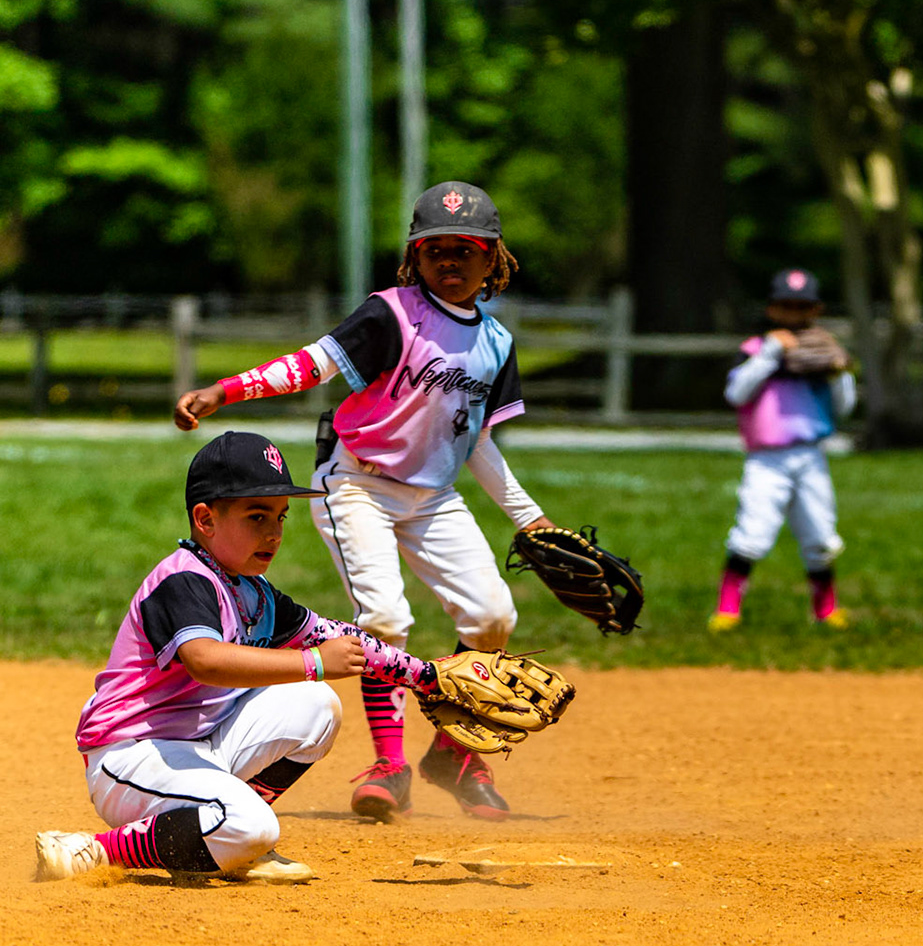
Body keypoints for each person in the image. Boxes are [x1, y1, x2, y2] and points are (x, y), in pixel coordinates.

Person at [172, 181, 553, 823]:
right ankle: (389, 763)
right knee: (383, 617)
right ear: (413, 255)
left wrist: (529, 518)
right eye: (435, 249)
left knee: (492, 616)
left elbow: (478, 442)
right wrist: (224, 391)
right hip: (357, 483)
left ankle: (453, 752)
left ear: (493, 257)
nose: (450, 261)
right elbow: (311, 365)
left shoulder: (496, 343)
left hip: (433, 495)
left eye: (465, 250)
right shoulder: (391, 315)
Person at [36, 432, 448, 883]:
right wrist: (313, 663)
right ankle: (95, 851)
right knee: (253, 825)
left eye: (280, 517)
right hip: (132, 756)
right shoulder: (184, 579)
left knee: (319, 705)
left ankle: (226, 843)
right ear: (205, 519)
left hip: (201, 746)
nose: (274, 533)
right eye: (257, 516)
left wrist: (430, 679)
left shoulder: (254, 592)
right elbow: (206, 661)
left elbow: (343, 639)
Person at [708, 268, 858, 632]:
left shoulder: (822, 353)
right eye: (786, 306)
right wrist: (771, 354)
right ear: (772, 309)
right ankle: (728, 608)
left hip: (810, 455)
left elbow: (846, 406)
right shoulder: (755, 350)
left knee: (820, 534)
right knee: (753, 531)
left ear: (816, 310)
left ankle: (826, 610)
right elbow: (736, 393)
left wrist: (840, 372)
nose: (794, 314)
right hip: (767, 458)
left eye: (802, 307)